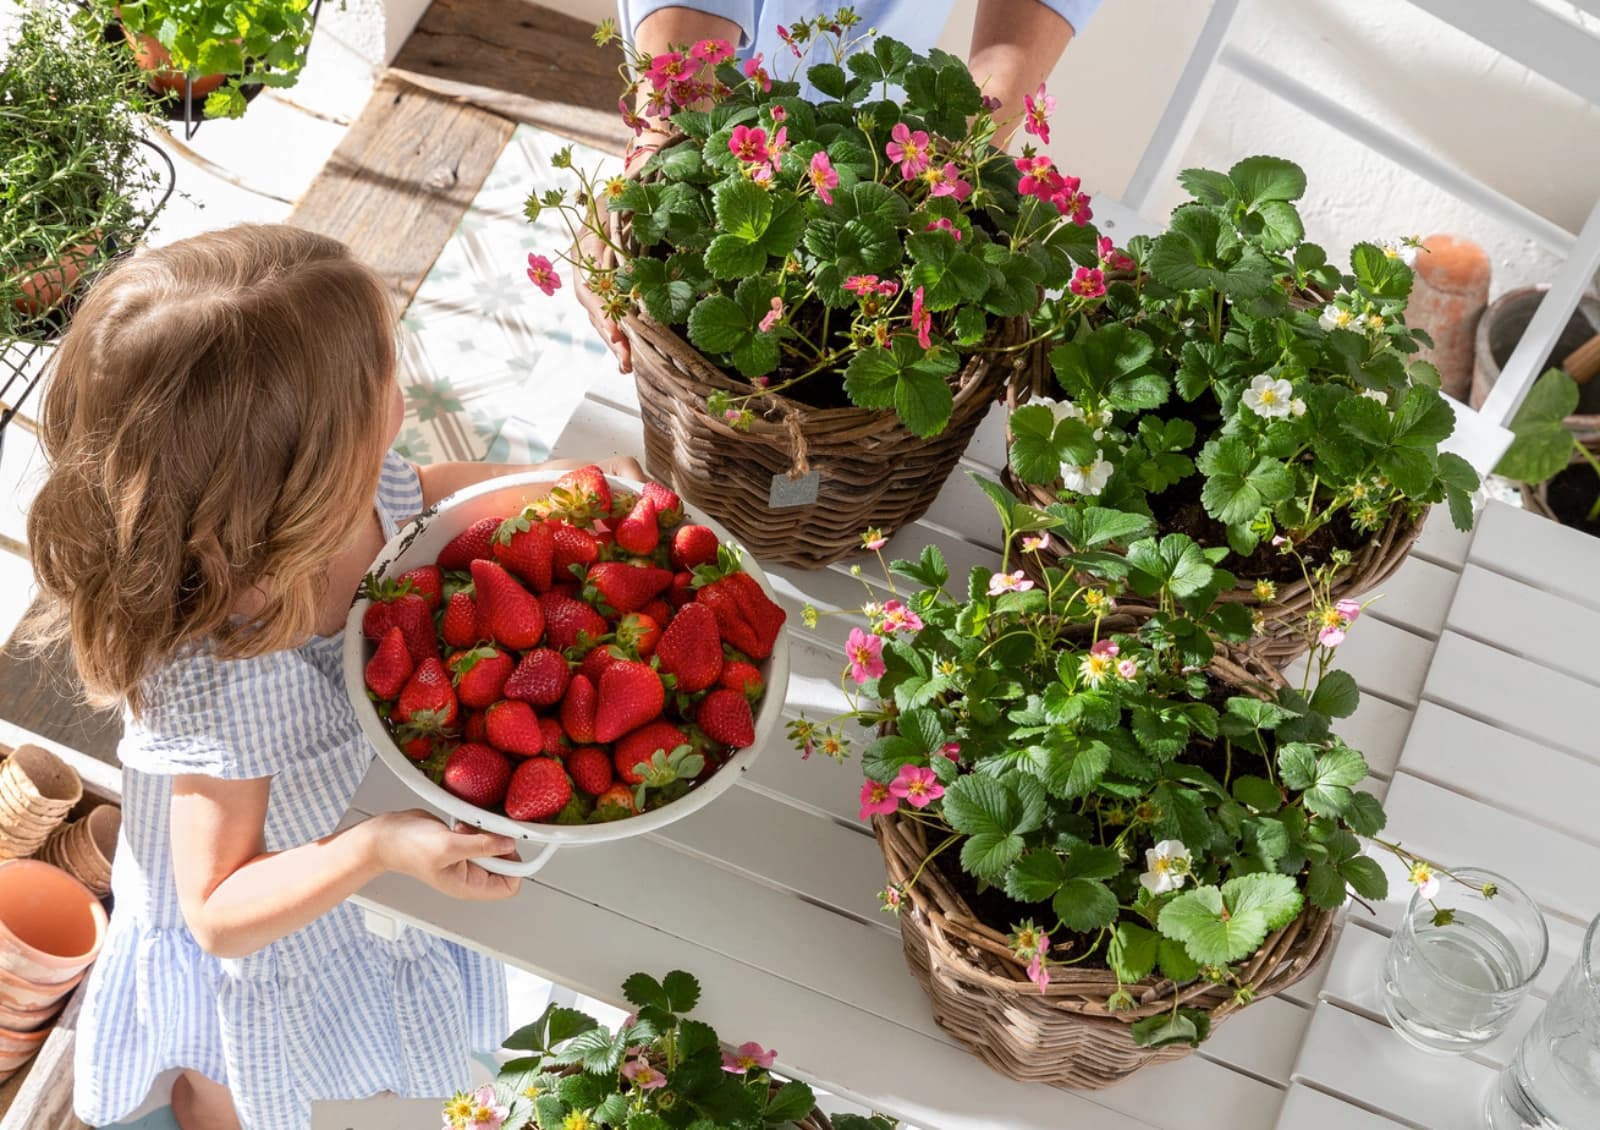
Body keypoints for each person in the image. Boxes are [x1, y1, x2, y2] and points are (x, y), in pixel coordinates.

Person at [24, 225, 643, 1130]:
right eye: (387, 379)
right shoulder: (226, 672)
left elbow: (429, 495)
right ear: (305, 479)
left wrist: (570, 481)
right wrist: (377, 847)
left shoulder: (344, 508)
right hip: (268, 890)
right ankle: (204, 1107)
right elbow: (218, 915)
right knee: (233, 1061)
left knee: (341, 1017)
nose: (402, 387)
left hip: (328, 828)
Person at [581, 0, 1100, 370]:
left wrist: (961, 149)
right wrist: (657, 152)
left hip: (863, 130)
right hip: (728, 101)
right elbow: (683, 88)